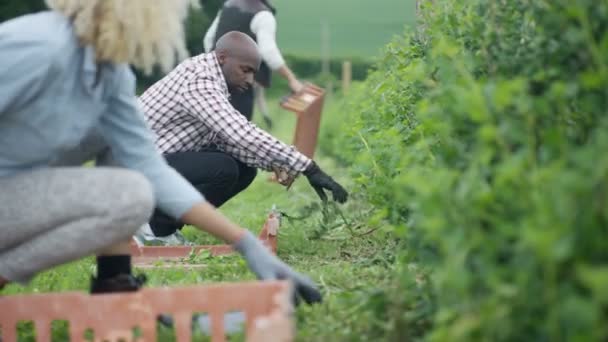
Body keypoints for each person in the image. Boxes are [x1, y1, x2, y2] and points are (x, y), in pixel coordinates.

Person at [0, 0, 322, 305]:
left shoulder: (113, 76)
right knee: (131, 192)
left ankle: (115, 288)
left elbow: (148, 169)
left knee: (128, 186)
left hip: (21, 196)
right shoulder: (39, 46)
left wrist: (247, 244)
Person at [138, 31, 348, 242]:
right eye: (245, 70)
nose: (249, 80)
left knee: (244, 169)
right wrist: (308, 167)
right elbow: (239, 132)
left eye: (253, 74)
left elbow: (224, 140)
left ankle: (164, 227)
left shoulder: (209, 77)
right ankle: (152, 227)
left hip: (150, 163)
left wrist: (275, 162)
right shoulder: (199, 80)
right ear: (222, 58)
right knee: (223, 169)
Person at [203, 0, 303, 123]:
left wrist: (215, 67)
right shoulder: (263, 15)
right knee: (237, 131)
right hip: (239, 86)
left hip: (212, 81)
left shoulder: (228, 5)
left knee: (210, 127)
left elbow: (208, 39)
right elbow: (269, 52)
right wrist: (291, 78)